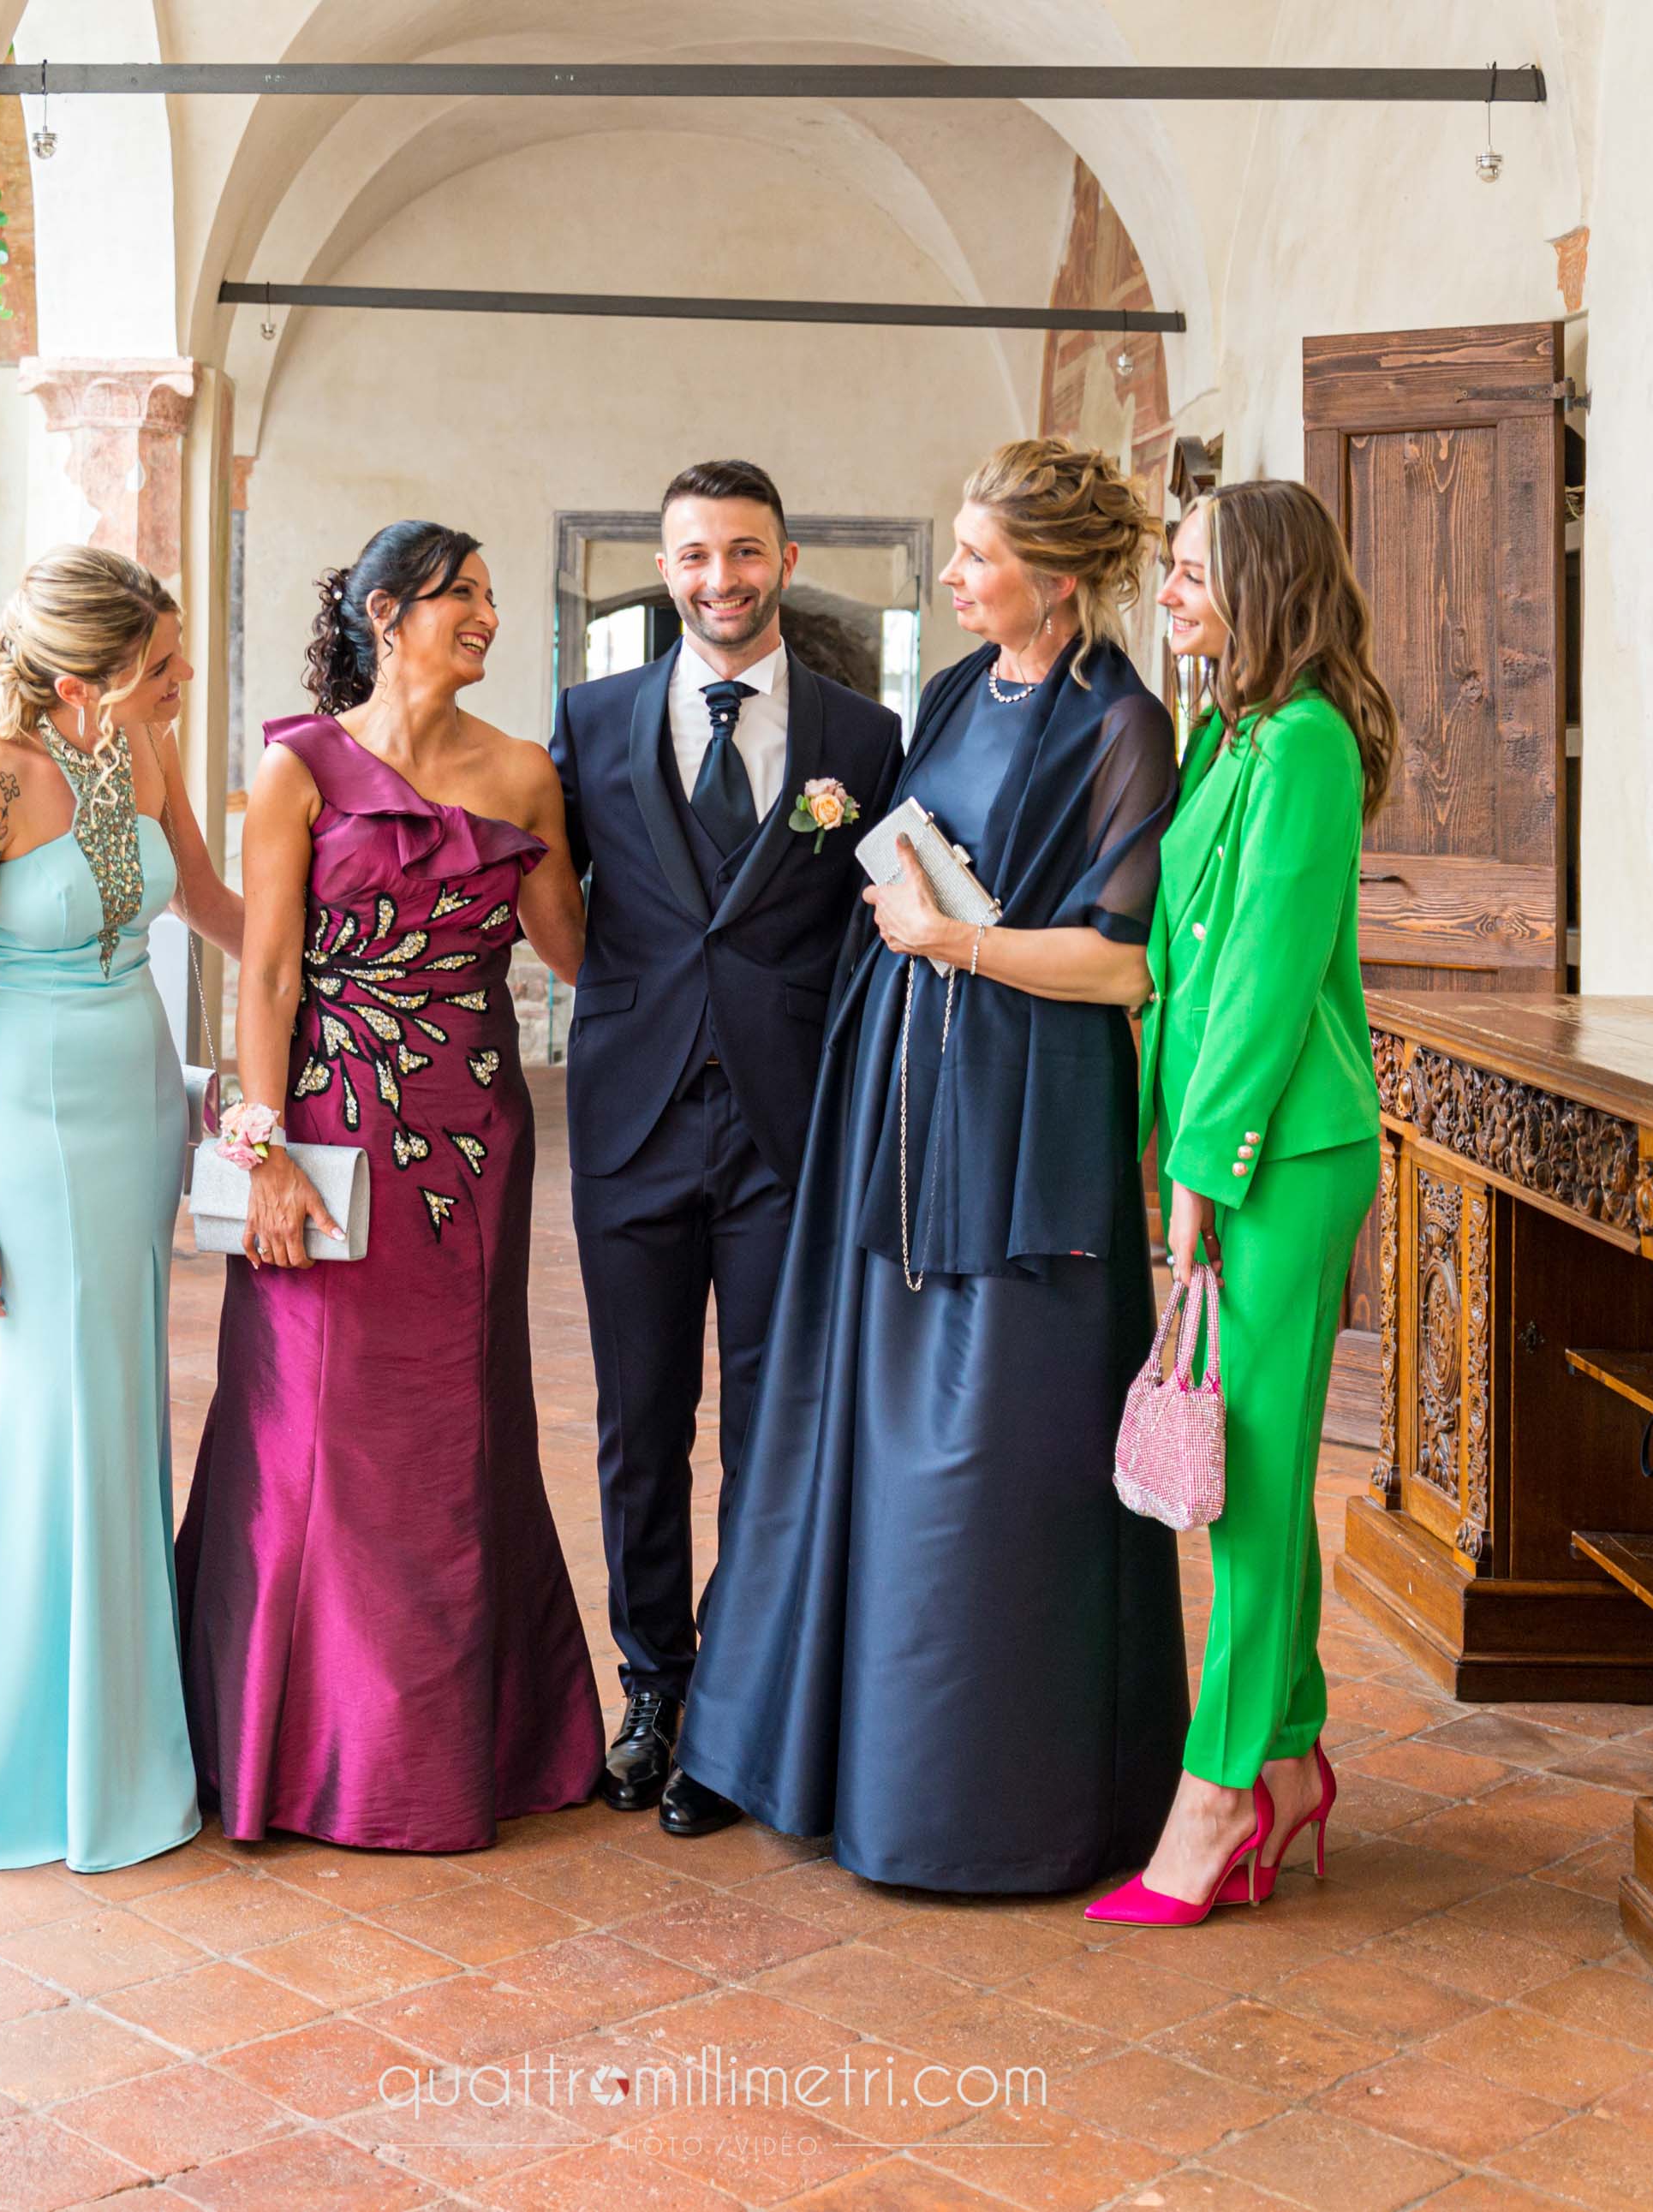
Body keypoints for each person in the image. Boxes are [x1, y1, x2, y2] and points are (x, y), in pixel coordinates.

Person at [667, 438, 1189, 1889]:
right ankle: (822, 1759)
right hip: (895, 1094)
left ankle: (982, 1804)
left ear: (1057, 579)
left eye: (978, 557)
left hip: (1025, 1121)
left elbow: (1121, 967)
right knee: (861, 1425)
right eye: (957, 549)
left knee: (993, 1444)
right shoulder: (957, 691)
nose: (953, 575)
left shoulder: (1122, 726)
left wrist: (952, 938)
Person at [176, 521, 606, 1852]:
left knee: (455, 1429)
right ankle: (298, 1748)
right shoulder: (297, 766)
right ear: (383, 611)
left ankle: (450, 1749)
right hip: (321, 1132)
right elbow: (266, 972)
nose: (485, 615)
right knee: (306, 1424)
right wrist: (262, 1153)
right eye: (458, 594)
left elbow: (576, 955)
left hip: (469, 1141)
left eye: (488, 595)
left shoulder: (523, 772)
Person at [0, 546, 242, 1875]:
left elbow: (208, 904)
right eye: (163, 664)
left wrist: (352, 975)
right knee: (44, 1402)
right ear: (89, 675)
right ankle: (25, 1742)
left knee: (116, 1395)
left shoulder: (143, 747)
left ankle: (117, 1726)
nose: (181, 680)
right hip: (22, 1111)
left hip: (132, 1102)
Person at [548, 461, 905, 1814]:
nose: (720, 579)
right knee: (639, 1425)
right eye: (694, 555)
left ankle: (739, 1715)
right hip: (631, 1118)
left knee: (768, 1428)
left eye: (744, 552)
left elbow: (885, 918)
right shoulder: (588, 719)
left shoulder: (864, 739)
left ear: (786, 561)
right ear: (665, 567)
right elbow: (551, 897)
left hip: (787, 1124)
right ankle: (652, 1686)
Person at [1088, 481, 1392, 1926]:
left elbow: (1266, 981)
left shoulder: (1308, 742)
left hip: (1280, 1153)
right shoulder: (1229, 729)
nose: (1169, 595)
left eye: (1193, 573)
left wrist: (1202, 1172)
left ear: (1266, 584)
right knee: (1250, 1475)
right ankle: (1287, 1757)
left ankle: (1216, 1798)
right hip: (1225, 1143)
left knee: (1250, 1489)